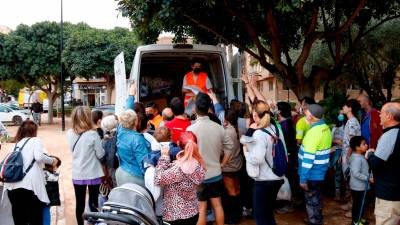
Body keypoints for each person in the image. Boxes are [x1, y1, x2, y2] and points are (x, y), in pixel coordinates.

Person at [186, 93, 234, 225]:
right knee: (217, 205)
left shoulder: (190, 129)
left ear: (195, 109)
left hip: (199, 176)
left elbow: (187, 154)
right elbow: (230, 147)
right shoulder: (219, 128)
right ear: (208, 109)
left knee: (201, 209)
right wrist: (222, 164)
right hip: (216, 174)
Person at [4, 120, 58, 225]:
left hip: (12, 188)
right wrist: (52, 161)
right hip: (29, 189)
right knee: (35, 219)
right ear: (34, 131)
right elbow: (38, 157)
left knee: (20, 220)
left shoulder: (16, 145)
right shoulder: (35, 140)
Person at [239, 100, 284, 225]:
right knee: (268, 214)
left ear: (254, 115)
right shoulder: (274, 128)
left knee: (261, 217)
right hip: (276, 177)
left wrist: (246, 152)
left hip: (264, 180)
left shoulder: (259, 134)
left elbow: (257, 159)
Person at [155, 131, 206, 225]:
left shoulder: (179, 169)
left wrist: (164, 157)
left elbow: (158, 179)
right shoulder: (199, 163)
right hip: (193, 212)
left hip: (175, 215)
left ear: (178, 143)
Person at [66, 106, 105, 225]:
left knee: (80, 203)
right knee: (93, 202)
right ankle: (93, 223)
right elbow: (100, 154)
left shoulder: (69, 133)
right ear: (88, 117)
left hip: (78, 172)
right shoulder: (93, 134)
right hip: (93, 172)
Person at [365, 102, 400, 225]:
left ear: (389, 116)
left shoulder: (390, 135)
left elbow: (375, 163)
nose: (379, 115)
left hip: (389, 197)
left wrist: (369, 154)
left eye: (382, 112)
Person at [298, 104, 332, 225]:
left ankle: (315, 222)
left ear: (311, 117)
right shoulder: (325, 128)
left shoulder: (314, 132)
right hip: (319, 172)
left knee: (312, 202)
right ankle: (317, 220)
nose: (305, 117)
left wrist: (303, 178)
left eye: (306, 114)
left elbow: (308, 158)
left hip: (312, 174)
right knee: (316, 201)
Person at [116, 109, 150, 187]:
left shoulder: (120, 131)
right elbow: (143, 163)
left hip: (121, 172)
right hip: (134, 176)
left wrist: (131, 97)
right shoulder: (138, 139)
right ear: (136, 122)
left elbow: (125, 117)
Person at [221, 109, 243, 224]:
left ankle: (234, 218)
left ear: (226, 118)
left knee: (231, 192)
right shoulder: (237, 128)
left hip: (229, 165)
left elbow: (223, 151)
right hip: (237, 163)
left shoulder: (226, 132)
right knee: (236, 189)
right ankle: (238, 214)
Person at [341, 99, 362, 213]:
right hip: (348, 155)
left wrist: (347, 156)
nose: (343, 107)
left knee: (352, 181)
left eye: (345, 106)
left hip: (351, 156)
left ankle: (353, 208)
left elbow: (352, 142)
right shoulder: (350, 121)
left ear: (350, 108)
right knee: (349, 181)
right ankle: (350, 204)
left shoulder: (352, 122)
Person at [276, 101, 297, 214]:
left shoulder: (284, 125)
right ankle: (292, 201)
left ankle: (290, 203)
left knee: (289, 180)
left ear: (279, 111)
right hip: (291, 155)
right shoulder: (288, 122)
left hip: (287, 156)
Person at [349, 136, 371, 225]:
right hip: (360, 187)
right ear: (357, 148)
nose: (366, 145)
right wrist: (368, 178)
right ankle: (356, 222)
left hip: (359, 186)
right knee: (359, 205)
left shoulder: (359, 156)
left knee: (359, 204)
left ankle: (358, 219)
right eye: (364, 144)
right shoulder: (357, 159)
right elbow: (356, 173)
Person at [101, 115, 119, 188]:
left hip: (109, 165)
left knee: (113, 183)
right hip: (115, 165)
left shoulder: (105, 137)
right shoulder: (118, 135)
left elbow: (102, 156)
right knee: (115, 183)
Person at [43, 156, 62, 225]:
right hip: (45, 200)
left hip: (44, 199)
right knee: (46, 217)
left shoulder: (42, 171)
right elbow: (55, 177)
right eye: (56, 166)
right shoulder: (46, 173)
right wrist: (55, 167)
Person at [331, 114, 346, 201]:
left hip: (344, 151)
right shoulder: (335, 128)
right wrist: (337, 141)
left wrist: (342, 143)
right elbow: (331, 139)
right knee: (337, 170)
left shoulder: (347, 127)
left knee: (341, 172)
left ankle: (344, 192)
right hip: (337, 150)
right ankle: (338, 192)